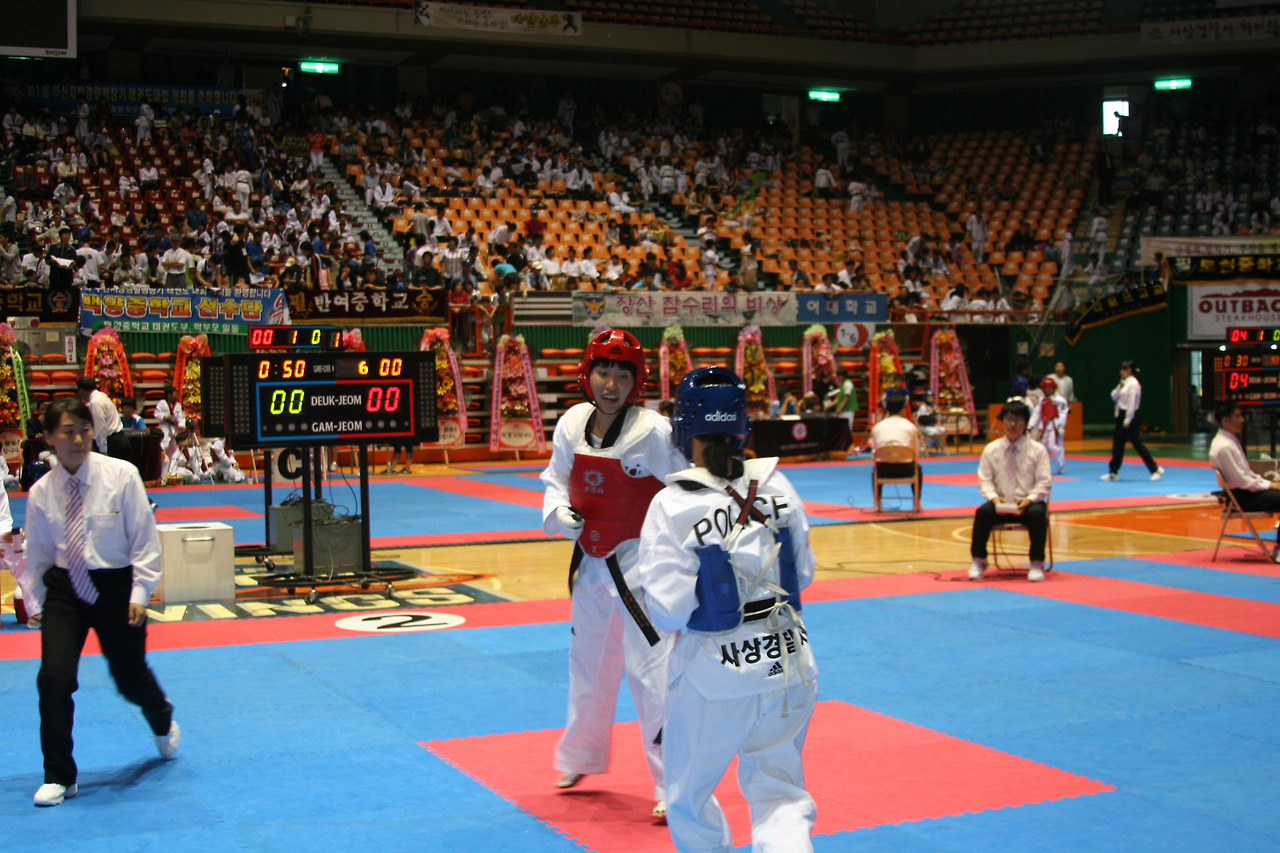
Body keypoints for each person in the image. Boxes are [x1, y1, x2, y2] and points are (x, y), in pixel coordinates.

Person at [638, 366, 818, 853]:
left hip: (715, 673)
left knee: (688, 796)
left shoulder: (673, 504)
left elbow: (670, 611)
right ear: (743, 428)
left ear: (682, 431)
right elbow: (803, 574)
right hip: (790, 660)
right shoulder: (778, 487)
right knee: (781, 793)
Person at [539, 329, 686, 820]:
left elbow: (686, 488)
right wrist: (558, 511)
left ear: (636, 382)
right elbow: (556, 479)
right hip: (590, 565)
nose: (611, 384)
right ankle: (580, 757)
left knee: (652, 674)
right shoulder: (571, 423)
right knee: (587, 666)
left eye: (623, 375)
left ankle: (672, 782)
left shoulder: (654, 432)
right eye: (604, 371)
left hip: (641, 567)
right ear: (588, 373)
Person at [10, 397, 179, 807]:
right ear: (49, 439)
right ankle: (59, 775)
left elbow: (144, 540)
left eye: (84, 430)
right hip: (65, 590)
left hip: (116, 587)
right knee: (53, 678)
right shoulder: (41, 492)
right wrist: (40, 603)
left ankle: (161, 715)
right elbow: (38, 555)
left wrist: (141, 592)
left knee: (130, 678)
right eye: (67, 432)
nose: (77, 439)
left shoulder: (121, 476)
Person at [969, 399, 1052, 582]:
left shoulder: (1038, 450)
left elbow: (1044, 482)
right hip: (1001, 503)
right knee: (982, 513)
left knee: (1038, 514)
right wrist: (994, 498)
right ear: (1002, 421)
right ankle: (979, 560)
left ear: (1026, 423)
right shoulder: (991, 449)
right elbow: (985, 480)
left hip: (1028, 503)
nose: (1013, 424)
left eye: (1018, 419)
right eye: (1008, 419)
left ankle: (1036, 562)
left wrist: (1029, 499)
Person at [1210, 401, 1280, 558]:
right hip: (1243, 497)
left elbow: (1247, 475)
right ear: (1225, 420)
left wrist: (1269, 483)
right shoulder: (1224, 447)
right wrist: (1270, 486)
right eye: (1237, 416)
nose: (1242, 420)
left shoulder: (1231, 441)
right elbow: (1242, 481)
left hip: (1246, 493)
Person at [1102, 360, 1163, 482]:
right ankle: (1113, 471)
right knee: (1118, 445)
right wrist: (1119, 387)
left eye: (1123, 369)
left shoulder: (1134, 384)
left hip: (1129, 416)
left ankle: (1155, 469)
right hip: (1120, 415)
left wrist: (1128, 418)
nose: (1121, 372)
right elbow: (1114, 396)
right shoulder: (1123, 383)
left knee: (1137, 444)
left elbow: (1132, 402)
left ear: (1129, 370)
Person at [871, 394, 923, 505]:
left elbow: (875, 452)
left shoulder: (877, 427)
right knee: (918, 468)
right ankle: (917, 501)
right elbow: (915, 452)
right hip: (906, 469)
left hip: (883, 469)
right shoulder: (910, 427)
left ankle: (876, 501)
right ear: (903, 409)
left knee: (874, 470)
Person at [75, 378, 131, 463]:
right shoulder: (102, 396)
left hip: (113, 444)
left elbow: (100, 428)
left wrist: (103, 450)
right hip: (120, 440)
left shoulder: (95, 403)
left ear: (81, 390)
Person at [1029, 376, 1069, 475]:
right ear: (1043, 388)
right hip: (1045, 426)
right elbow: (1037, 414)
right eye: (1046, 387)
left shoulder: (1059, 400)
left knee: (1054, 447)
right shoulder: (1042, 401)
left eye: (1050, 387)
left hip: (1055, 427)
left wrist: (1061, 425)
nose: (1048, 390)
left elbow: (1063, 413)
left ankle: (1060, 467)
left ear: (1054, 388)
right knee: (1043, 448)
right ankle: (1043, 468)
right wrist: (1031, 426)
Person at [153, 385, 185, 479]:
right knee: (164, 446)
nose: (177, 396)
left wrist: (182, 425)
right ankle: (161, 472)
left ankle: (171, 472)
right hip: (164, 427)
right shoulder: (162, 403)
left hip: (173, 429)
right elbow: (156, 414)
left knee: (174, 450)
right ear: (169, 395)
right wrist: (166, 416)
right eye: (175, 394)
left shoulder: (177, 405)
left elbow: (181, 417)